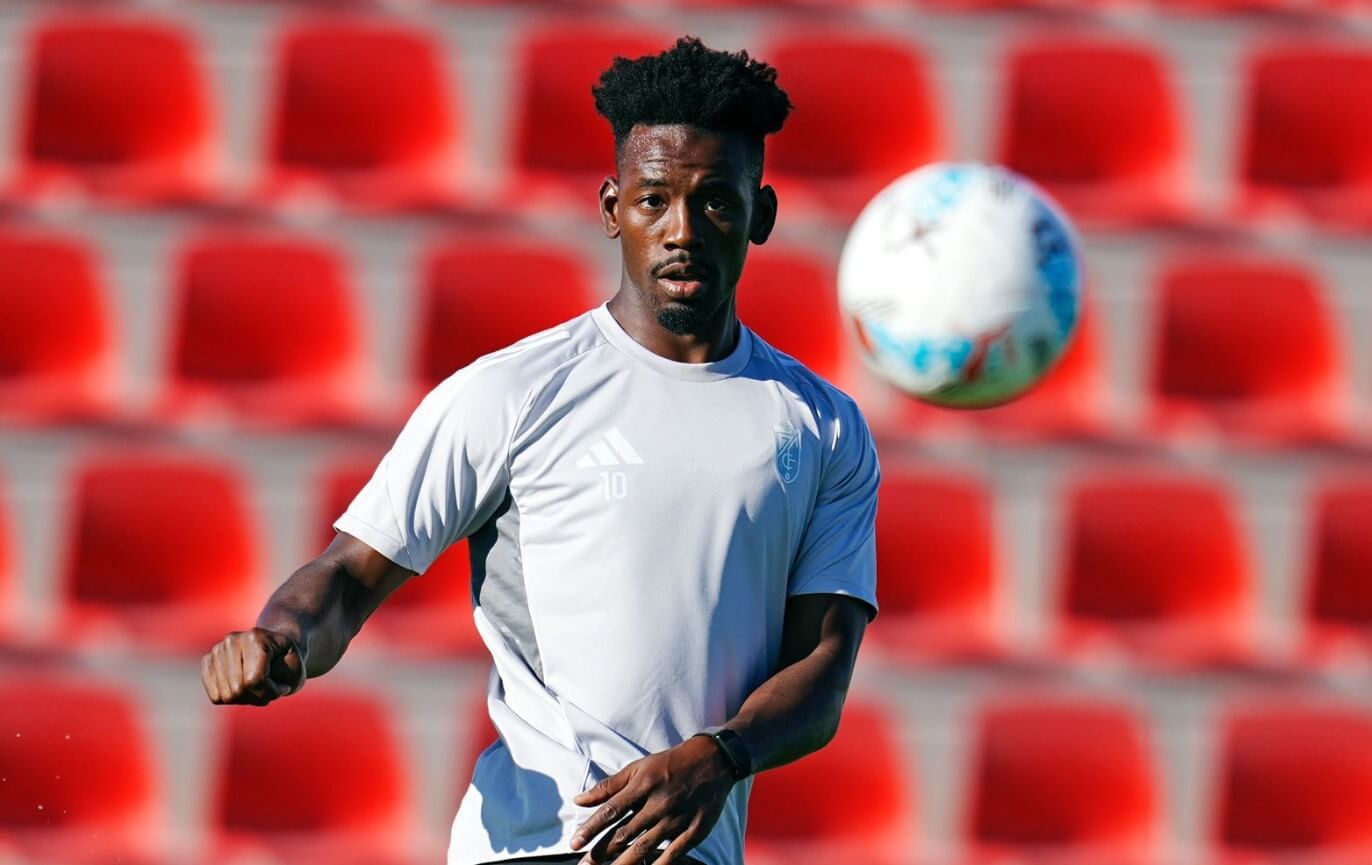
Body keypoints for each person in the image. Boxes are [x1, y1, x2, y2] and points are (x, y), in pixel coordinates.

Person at [201, 36, 880, 865]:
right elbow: (349, 573)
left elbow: (824, 672)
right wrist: (280, 641)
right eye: (653, 199)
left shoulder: (822, 426)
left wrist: (721, 755)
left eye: (714, 203)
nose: (681, 232)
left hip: (693, 851)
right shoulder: (514, 393)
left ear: (760, 215)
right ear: (610, 208)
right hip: (535, 845)